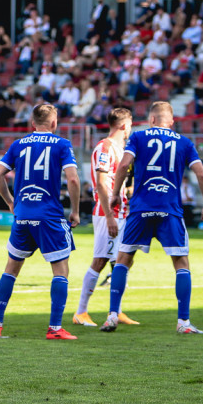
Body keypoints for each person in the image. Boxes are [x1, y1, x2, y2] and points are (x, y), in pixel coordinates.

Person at [102, 101, 203, 334]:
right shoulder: (184, 142)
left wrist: (115, 194)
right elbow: (201, 174)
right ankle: (183, 322)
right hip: (169, 209)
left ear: (151, 119)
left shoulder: (139, 138)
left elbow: (124, 165)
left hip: (141, 208)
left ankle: (112, 315)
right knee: (181, 263)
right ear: (172, 122)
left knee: (123, 258)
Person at [0, 104, 81, 340]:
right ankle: (55, 328)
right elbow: (73, 180)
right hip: (49, 215)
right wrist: (76, 211)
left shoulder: (19, 144)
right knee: (61, 269)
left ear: (32, 123)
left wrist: (10, 202)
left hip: (23, 215)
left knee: (11, 269)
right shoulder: (61, 144)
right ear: (54, 123)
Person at [73, 107, 140, 327]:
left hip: (122, 211)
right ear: (124, 125)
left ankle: (117, 310)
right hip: (106, 213)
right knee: (101, 260)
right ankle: (81, 312)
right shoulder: (104, 148)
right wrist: (110, 216)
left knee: (123, 261)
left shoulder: (121, 149)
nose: (130, 129)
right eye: (129, 125)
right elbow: (101, 183)